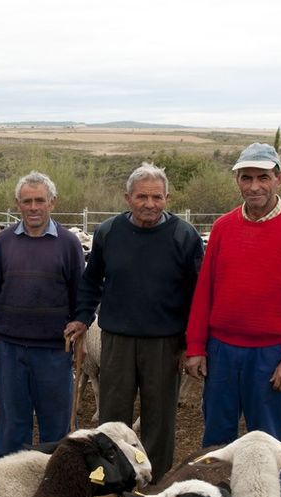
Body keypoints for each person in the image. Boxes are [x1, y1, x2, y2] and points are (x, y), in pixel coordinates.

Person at [64, 162, 203, 480]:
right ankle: (113, 475)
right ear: (127, 197)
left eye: (157, 197)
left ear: (167, 197)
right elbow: (92, 279)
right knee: (113, 412)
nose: (150, 204)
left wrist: (190, 344)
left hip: (165, 340)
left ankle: (152, 477)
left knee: (159, 415)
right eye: (142, 197)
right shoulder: (109, 232)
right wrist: (83, 317)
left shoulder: (184, 236)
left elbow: (198, 295)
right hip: (117, 338)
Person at [184, 143, 281, 449]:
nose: (254, 186)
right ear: (237, 181)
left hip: (270, 354)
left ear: (279, 178)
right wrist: (196, 345)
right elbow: (205, 290)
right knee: (216, 440)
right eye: (246, 178)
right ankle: (218, 496)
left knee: (268, 443)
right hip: (221, 352)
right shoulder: (223, 227)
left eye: (263, 177)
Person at [0, 171, 84, 457]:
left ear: (52, 203)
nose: (33, 207)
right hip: (10, 346)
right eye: (27, 201)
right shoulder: (4, 241)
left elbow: (79, 292)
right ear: (17, 204)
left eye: (39, 201)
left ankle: (55, 477)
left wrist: (81, 320)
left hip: (54, 347)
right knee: (13, 418)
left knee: (56, 418)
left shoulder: (69, 243)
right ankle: (9, 478)